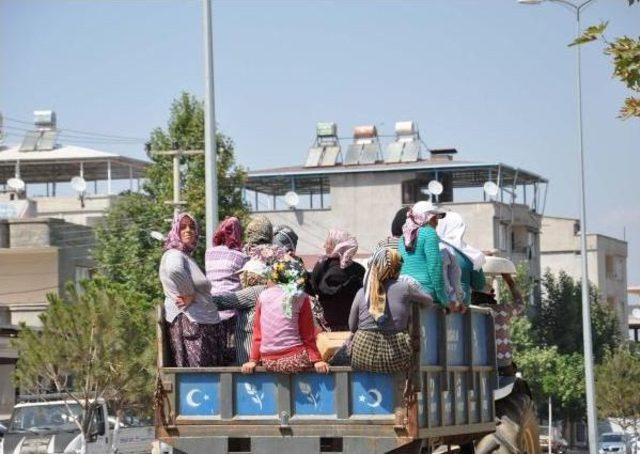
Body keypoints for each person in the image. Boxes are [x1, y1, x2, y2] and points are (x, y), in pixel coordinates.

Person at [349, 248, 433, 372]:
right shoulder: (404, 288)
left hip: (362, 353)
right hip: (395, 354)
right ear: (396, 269)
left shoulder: (362, 292)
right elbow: (428, 301)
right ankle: (410, 386)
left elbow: (352, 326)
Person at [159, 213, 225, 367]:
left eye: (192, 227)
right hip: (191, 325)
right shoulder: (174, 254)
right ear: (175, 230)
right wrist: (188, 293)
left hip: (202, 324)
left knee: (210, 382)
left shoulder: (185, 256)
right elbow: (174, 270)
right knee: (199, 381)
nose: (188, 230)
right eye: (182, 227)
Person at [242, 258, 329, 374]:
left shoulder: (262, 296)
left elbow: (258, 333)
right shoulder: (301, 296)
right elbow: (307, 334)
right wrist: (317, 360)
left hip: (269, 361)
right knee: (319, 335)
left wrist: (253, 360)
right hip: (295, 360)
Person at [212, 259, 268, 365]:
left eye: (243, 274)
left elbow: (222, 302)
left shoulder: (254, 291)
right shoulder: (266, 290)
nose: (240, 278)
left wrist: (199, 298)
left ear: (252, 276)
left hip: (251, 357)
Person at [398, 201, 451, 309]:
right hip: (425, 291)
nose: (437, 222)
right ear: (429, 217)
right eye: (435, 218)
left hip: (404, 290)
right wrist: (443, 298)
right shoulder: (429, 233)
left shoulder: (402, 238)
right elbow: (434, 267)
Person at [310, 229, 365, 331]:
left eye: (328, 243)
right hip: (353, 327)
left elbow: (313, 289)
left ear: (337, 245)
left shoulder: (322, 266)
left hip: (326, 327)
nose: (324, 246)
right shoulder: (359, 270)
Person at [436, 211, 486, 308]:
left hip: (435, 304)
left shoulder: (431, 249)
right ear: (461, 229)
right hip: (461, 310)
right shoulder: (471, 255)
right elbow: (479, 285)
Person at [205, 217, 249, 295]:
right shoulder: (241, 256)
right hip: (232, 301)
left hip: (211, 300)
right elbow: (245, 284)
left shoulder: (208, 253)